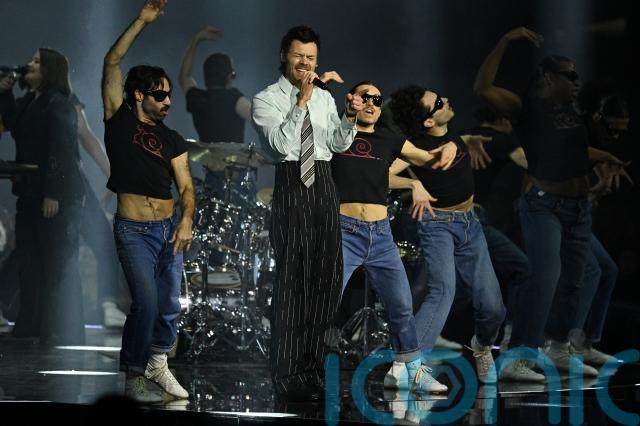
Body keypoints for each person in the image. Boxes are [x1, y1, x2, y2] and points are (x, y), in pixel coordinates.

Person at [474, 27, 627, 381]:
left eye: (576, 75)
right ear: (547, 77)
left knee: (577, 278)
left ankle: (558, 348)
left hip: (578, 208)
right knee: (545, 277)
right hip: (545, 205)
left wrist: (605, 157)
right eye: (568, 75)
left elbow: (576, 149)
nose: (576, 81)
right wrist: (505, 41)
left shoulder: (571, 111)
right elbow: (483, 87)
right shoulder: (526, 108)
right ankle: (517, 356)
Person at [251, 25, 363, 400]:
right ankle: (287, 373)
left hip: (325, 182)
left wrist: (349, 117)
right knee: (293, 281)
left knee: (326, 280)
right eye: (299, 55)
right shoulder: (266, 99)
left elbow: (337, 143)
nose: (305, 63)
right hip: (292, 182)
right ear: (284, 55)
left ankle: (313, 368)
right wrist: (301, 101)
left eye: (311, 57)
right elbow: (280, 146)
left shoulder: (325, 98)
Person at [332, 81, 456, 393]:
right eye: (364, 97)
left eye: (376, 99)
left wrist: (451, 146)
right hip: (344, 231)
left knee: (401, 305)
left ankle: (407, 371)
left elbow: (429, 158)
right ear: (352, 100)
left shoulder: (389, 138)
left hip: (380, 235)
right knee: (326, 302)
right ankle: (303, 367)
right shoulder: (336, 133)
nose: (370, 104)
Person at [102, 0, 195, 403]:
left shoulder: (172, 139)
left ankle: (158, 361)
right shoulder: (118, 120)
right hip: (133, 231)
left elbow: (186, 187)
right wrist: (141, 21)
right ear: (139, 95)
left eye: (170, 95)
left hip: (168, 229)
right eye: (160, 95)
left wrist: (186, 220)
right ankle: (134, 376)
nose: (168, 101)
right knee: (145, 301)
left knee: (170, 304)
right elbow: (111, 62)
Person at [389, 85, 506, 384]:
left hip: (470, 224)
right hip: (437, 225)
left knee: (493, 307)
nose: (446, 100)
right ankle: (406, 367)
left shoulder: (453, 133)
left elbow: (456, 141)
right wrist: (413, 184)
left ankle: (481, 346)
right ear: (428, 121)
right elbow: (382, 174)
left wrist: (467, 141)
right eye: (439, 102)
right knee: (442, 292)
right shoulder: (417, 147)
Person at [0, 48, 86, 346]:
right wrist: (5, 92)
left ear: (50, 70)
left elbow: (61, 149)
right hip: (30, 191)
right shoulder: (30, 102)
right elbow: (13, 124)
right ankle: (31, 324)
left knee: (55, 261)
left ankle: (59, 328)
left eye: (37, 61)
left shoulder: (60, 104)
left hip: (56, 195)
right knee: (30, 260)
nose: (29, 65)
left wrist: (53, 193)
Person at [179, 26, 254, 201]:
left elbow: (184, 77)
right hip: (237, 181)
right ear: (228, 77)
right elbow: (261, 119)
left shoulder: (198, 99)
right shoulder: (235, 99)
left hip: (212, 179)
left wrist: (195, 41)